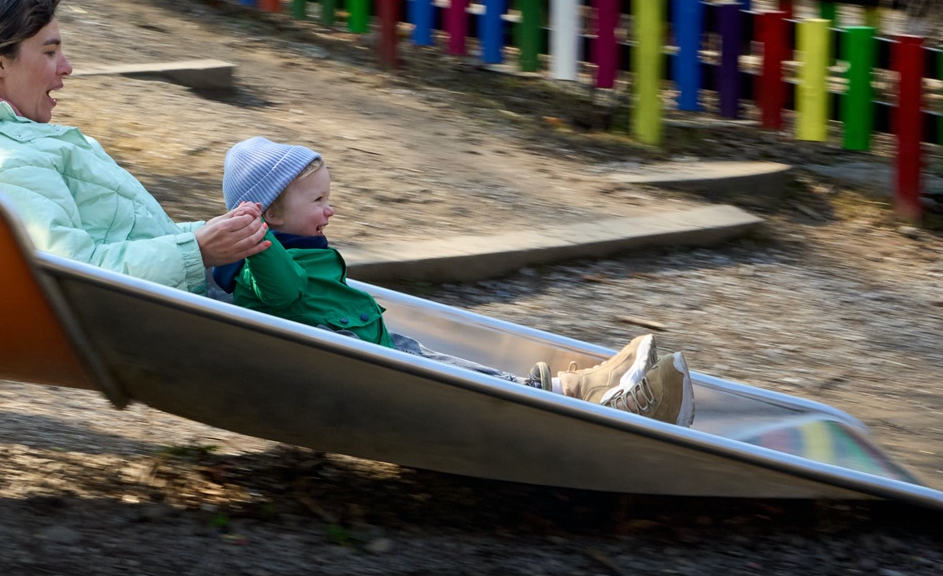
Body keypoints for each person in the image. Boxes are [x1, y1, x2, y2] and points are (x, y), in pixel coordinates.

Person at [211, 136, 696, 426]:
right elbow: (287, 292)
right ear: (268, 214)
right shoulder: (261, 264)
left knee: (481, 375)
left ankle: (590, 384)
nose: (330, 209)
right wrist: (258, 237)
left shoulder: (296, 247)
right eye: (317, 202)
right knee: (479, 389)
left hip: (379, 345)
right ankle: (626, 408)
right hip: (366, 365)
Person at [0, 0, 269, 292]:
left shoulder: (14, 138)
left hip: (180, 288)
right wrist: (198, 250)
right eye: (49, 53)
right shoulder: (1, 161)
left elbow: (126, 235)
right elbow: (77, 272)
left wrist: (211, 234)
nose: (67, 67)